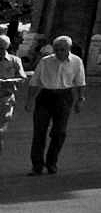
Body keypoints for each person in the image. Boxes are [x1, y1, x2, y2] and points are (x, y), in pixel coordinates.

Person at [24, 35, 85, 175]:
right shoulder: (45, 61)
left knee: (59, 132)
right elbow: (34, 82)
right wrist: (30, 100)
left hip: (64, 97)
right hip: (45, 96)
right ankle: (37, 165)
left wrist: (80, 99)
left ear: (69, 49)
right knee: (39, 132)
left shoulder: (76, 61)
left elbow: (80, 82)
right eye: (56, 49)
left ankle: (51, 162)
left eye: (62, 50)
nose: (59, 53)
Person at [0, 34, 25, 156]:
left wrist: (6, 81)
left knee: (1, 129)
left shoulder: (14, 60)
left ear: (6, 48)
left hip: (5, 98)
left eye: (1, 48)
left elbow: (22, 78)